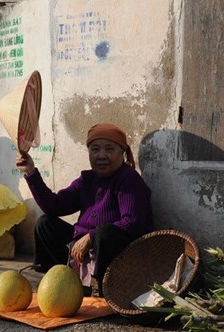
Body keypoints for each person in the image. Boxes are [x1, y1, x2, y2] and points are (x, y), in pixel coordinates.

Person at [15, 123, 153, 296]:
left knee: (105, 233)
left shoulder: (129, 180)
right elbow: (54, 205)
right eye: (95, 149)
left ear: (122, 153)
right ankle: (54, 284)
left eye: (109, 149)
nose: (101, 155)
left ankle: (102, 288)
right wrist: (31, 172)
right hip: (81, 252)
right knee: (45, 224)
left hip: (115, 255)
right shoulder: (87, 180)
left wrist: (91, 236)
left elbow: (133, 222)